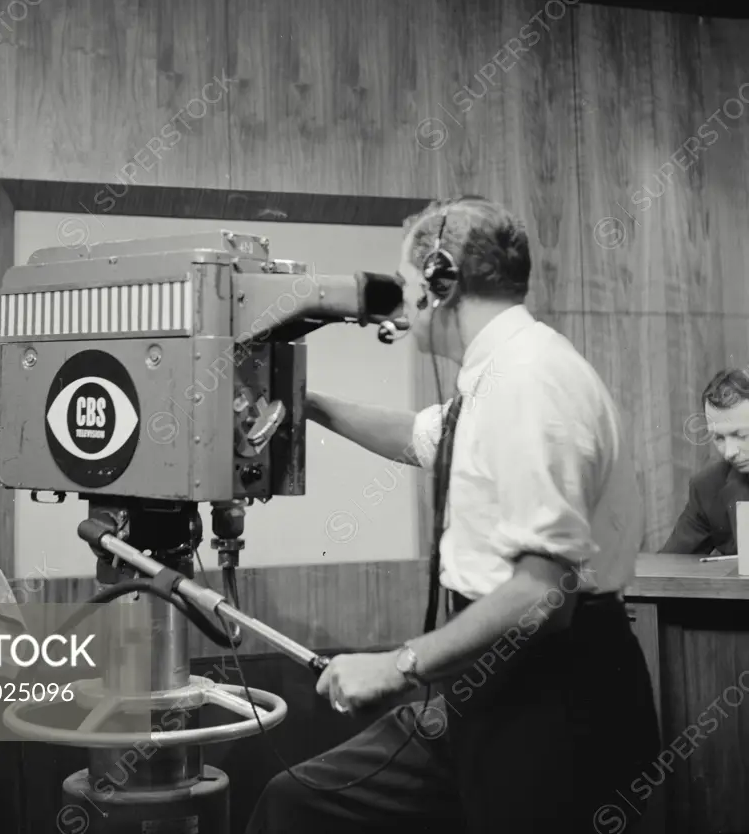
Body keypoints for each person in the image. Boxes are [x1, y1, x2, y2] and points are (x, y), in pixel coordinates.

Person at [245, 197, 660, 834]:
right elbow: (420, 436)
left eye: (407, 285)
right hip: (486, 682)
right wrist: (308, 405)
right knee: (297, 800)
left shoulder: (529, 385)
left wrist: (396, 665)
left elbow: (542, 597)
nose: (400, 304)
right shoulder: (497, 373)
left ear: (440, 281)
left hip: (551, 694)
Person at [660, 366, 749, 555]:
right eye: (719, 438)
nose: (729, 453)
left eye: (741, 435)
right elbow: (671, 566)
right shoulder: (708, 487)